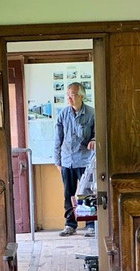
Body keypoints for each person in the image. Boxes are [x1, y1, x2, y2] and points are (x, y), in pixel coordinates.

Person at [53, 82, 95, 236]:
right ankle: (70, 224)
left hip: (85, 160)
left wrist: (94, 140)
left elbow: (98, 133)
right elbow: (58, 139)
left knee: (87, 193)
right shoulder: (63, 114)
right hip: (67, 161)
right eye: (68, 94)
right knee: (68, 194)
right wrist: (57, 161)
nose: (69, 98)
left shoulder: (91, 113)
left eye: (73, 94)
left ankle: (90, 224)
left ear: (82, 96)